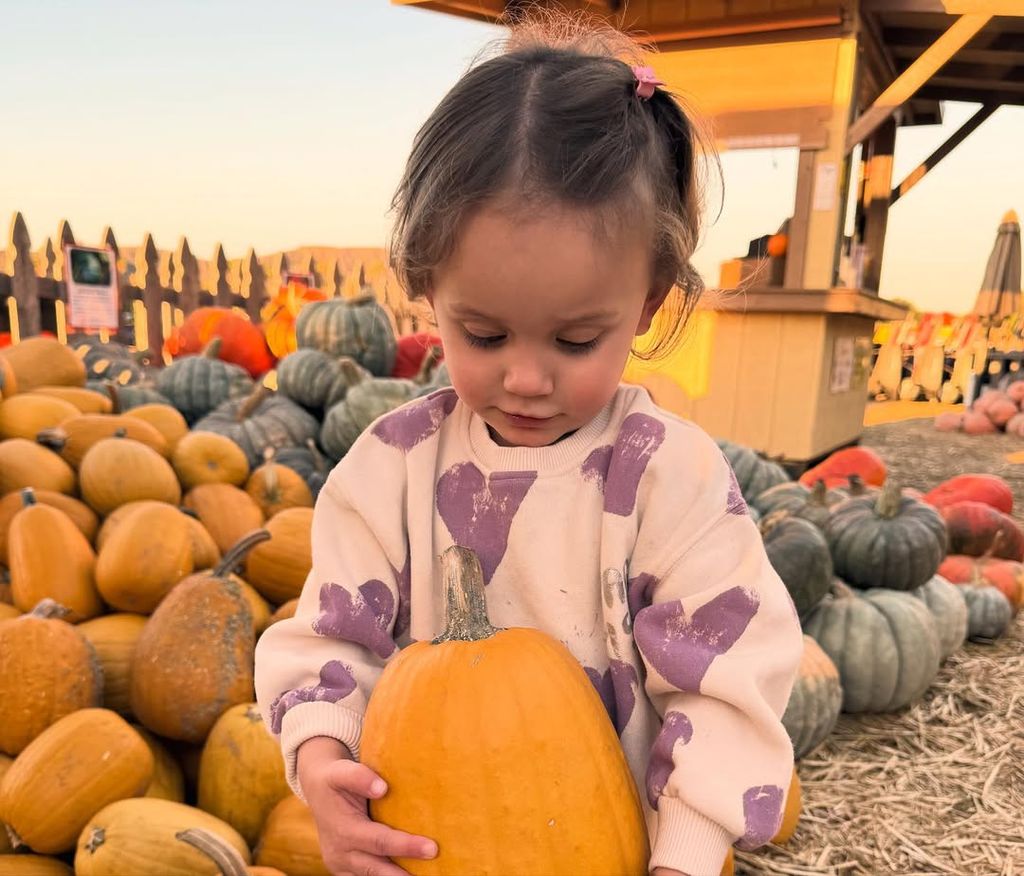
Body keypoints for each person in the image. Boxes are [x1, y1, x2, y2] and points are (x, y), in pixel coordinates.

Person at [255, 13, 803, 876]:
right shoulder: (392, 469)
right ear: (428, 285)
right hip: (433, 851)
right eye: (483, 334)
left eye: (575, 340)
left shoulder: (668, 478)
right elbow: (329, 641)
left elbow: (728, 682)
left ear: (649, 302)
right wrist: (324, 762)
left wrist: (689, 852)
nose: (525, 378)